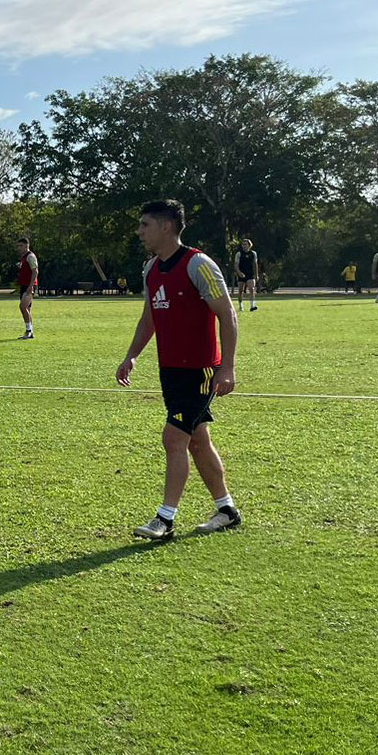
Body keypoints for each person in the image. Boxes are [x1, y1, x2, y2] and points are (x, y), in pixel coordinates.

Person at [116, 200, 241, 541]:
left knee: (174, 438)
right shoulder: (151, 269)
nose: (140, 231)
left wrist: (226, 367)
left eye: (145, 224)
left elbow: (227, 315)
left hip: (199, 370)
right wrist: (132, 356)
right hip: (169, 370)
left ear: (166, 226)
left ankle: (165, 519)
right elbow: (149, 318)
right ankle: (227, 510)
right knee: (198, 441)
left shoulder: (198, 264)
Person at [15, 237, 38, 339]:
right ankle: (30, 332)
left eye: (21, 246)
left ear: (27, 246)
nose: (19, 248)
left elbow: (35, 271)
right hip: (24, 285)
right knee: (27, 309)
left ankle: (28, 331)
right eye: (18, 246)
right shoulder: (24, 257)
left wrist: (31, 286)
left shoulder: (30, 256)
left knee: (22, 307)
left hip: (29, 286)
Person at [233, 238, 259, 312]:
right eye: (243, 244)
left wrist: (256, 274)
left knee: (251, 289)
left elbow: (255, 264)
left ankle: (252, 306)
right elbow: (236, 265)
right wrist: (239, 273)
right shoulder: (239, 254)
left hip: (250, 274)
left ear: (249, 245)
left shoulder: (253, 253)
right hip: (241, 274)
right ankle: (241, 306)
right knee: (240, 290)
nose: (244, 246)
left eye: (245, 244)